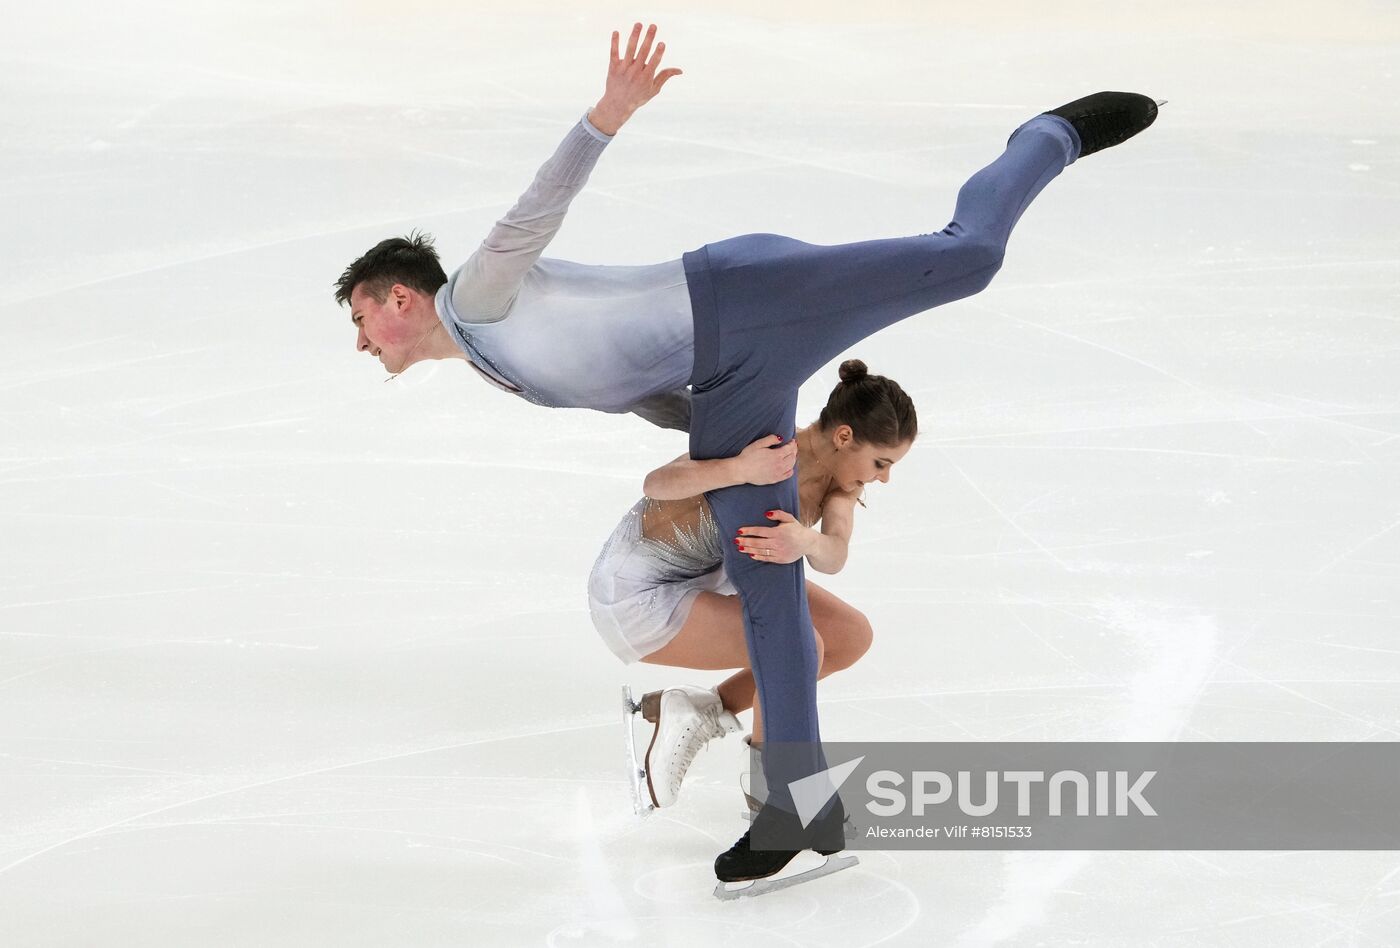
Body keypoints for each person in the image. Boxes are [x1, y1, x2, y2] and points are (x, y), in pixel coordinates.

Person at [332, 21, 1161, 886]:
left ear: (398, 296)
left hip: (744, 297)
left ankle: (1048, 136)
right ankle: (794, 809)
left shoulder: (475, 296)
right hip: (727, 385)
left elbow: (534, 209)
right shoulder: (506, 371)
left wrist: (605, 117)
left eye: (359, 317)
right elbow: (654, 395)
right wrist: (732, 466)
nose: (361, 341)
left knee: (970, 258)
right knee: (774, 592)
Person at [594, 360, 914, 813]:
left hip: (710, 581)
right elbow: (657, 484)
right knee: (798, 646)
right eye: (881, 462)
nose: (884, 477)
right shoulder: (765, 442)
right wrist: (739, 469)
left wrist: (806, 540)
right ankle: (770, 799)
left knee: (849, 636)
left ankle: (703, 710)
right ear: (844, 437)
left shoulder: (838, 488)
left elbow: (834, 554)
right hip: (639, 596)